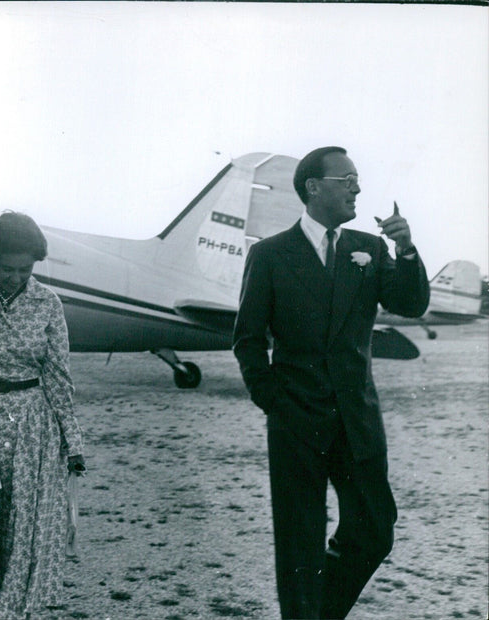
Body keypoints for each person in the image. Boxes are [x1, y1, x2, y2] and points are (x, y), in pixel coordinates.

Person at [233, 146, 430, 619]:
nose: (357, 188)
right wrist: (275, 403)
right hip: (296, 421)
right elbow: (248, 339)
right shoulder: (270, 254)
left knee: (374, 528)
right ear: (313, 188)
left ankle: (319, 614)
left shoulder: (370, 248)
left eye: (357, 179)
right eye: (347, 179)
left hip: (356, 419)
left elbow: (410, 304)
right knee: (299, 545)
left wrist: (405, 249)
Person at [0, 211, 85, 620]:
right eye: (7, 268)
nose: (16, 277)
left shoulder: (47, 303)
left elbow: (57, 375)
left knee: (22, 525)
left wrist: (73, 442)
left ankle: (13, 611)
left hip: (32, 427)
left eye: (26, 269)